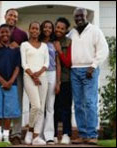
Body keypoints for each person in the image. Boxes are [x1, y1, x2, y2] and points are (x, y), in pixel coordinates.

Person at [0, 8, 28, 144]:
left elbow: (26, 51)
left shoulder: (22, 34)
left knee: (14, 104)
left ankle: (14, 134)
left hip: (15, 75)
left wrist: (19, 47)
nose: (13, 18)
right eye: (10, 15)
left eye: (15, 16)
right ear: (5, 16)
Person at [70, 8, 109, 145]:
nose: (79, 18)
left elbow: (103, 49)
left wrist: (93, 65)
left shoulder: (95, 31)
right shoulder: (72, 33)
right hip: (74, 70)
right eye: (76, 16)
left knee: (90, 103)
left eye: (81, 16)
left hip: (89, 70)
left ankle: (92, 135)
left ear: (86, 16)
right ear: (74, 17)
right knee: (79, 104)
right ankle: (82, 134)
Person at [21, 22, 49, 145]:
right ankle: (30, 130)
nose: (35, 31)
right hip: (28, 77)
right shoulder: (24, 45)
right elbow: (24, 63)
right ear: (29, 29)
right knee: (36, 106)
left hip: (42, 77)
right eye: (33, 28)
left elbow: (46, 63)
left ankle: (36, 137)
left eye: (37, 29)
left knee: (41, 108)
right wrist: (33, 75)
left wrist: (38, 74)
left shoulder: (44, 46)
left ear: (39, 31)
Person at [39, 20, 61, 145]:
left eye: (49, 27)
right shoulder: (38, 43)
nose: (47, 29)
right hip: (41, 74)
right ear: (42, 29)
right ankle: (39, 134)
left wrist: (58, 82)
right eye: (45, 27)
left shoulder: (55, 44)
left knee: (50, 107)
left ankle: (49, 135)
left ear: (52, 30)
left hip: (52, 74)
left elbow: (58, 64)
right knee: (40, 106)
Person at [53, 17, 72, 145]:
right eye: (57, 27)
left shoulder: (69, 42)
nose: (59, 30)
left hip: (65, 80)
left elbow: (68, 63)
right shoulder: (48, 40)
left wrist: (59, 50)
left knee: (65, 108)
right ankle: (53, 134)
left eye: (62, 28)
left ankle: (66, 134)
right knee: (53, 108)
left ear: (66, 31)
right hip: (49, 80)